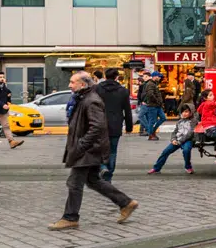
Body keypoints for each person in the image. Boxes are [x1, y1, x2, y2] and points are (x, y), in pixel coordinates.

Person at [49, 72, 137, 231]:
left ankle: (70, 217)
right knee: (93, 180)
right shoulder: (83, 98)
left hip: (88, 150)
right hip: (89, 149)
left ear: (83, 84)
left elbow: (97, 127)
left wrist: (81, 146)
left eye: (72, 82)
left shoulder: (91, 101)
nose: (69, 85)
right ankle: (125, 202)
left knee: (75, 183)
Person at [95, 68, 134, 182]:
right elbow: (127, 110)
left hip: (99, 123)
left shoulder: (97, 89)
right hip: (115, 124)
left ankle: (102, 167)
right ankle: (109, 176)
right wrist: (129, 127)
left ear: (105, 76)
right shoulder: (123, 91)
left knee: (99, 149)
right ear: (117, 77)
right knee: (112, 151)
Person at [148, 106, 196, 174]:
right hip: (177, 140)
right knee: (165, 152)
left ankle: (188, 167)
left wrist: (180, 141)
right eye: (183, 112)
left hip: (187, 140)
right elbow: (175, 132)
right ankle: (156, 168)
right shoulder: (179, 121)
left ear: (191, 113)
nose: (184, 113)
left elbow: (190, 134)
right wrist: (173, 139)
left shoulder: (193, 121)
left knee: (186, 150)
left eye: (186, 112)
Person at [141, 73, 167, 141]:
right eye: (159, 77)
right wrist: (157, 101)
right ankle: (151, 135)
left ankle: (153, 131)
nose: (160, 78)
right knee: (152, 121)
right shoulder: (150, 84)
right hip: (152, 105)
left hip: (157, 105)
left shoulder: (154, 83)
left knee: (163, 118)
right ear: (155, 76)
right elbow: (150, 94)